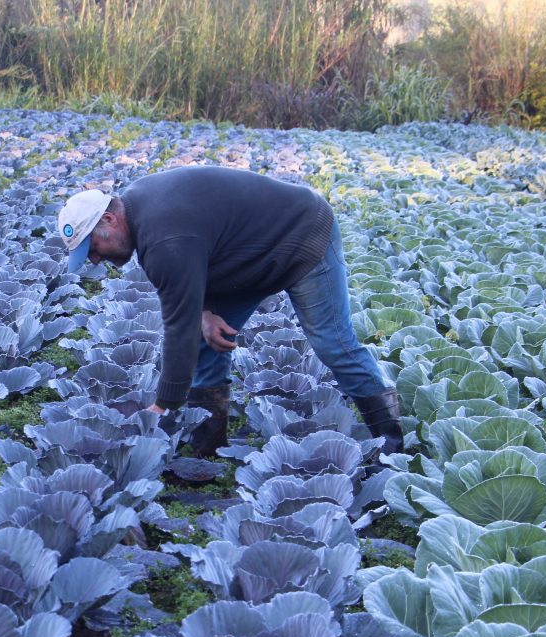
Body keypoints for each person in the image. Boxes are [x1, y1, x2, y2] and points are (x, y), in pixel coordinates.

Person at [57, 166, 403, 462]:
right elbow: (191, 290)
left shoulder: (163, 238)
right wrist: (205, 314)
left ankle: (392, 441)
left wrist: (164, 405)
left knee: (333, 343)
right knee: (210, 339)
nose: (96, 260)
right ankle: (208, 449)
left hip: (302, 235)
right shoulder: (139, 212)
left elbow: (179, 329)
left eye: (93, 247)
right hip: (246, 259)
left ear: (109, 219)